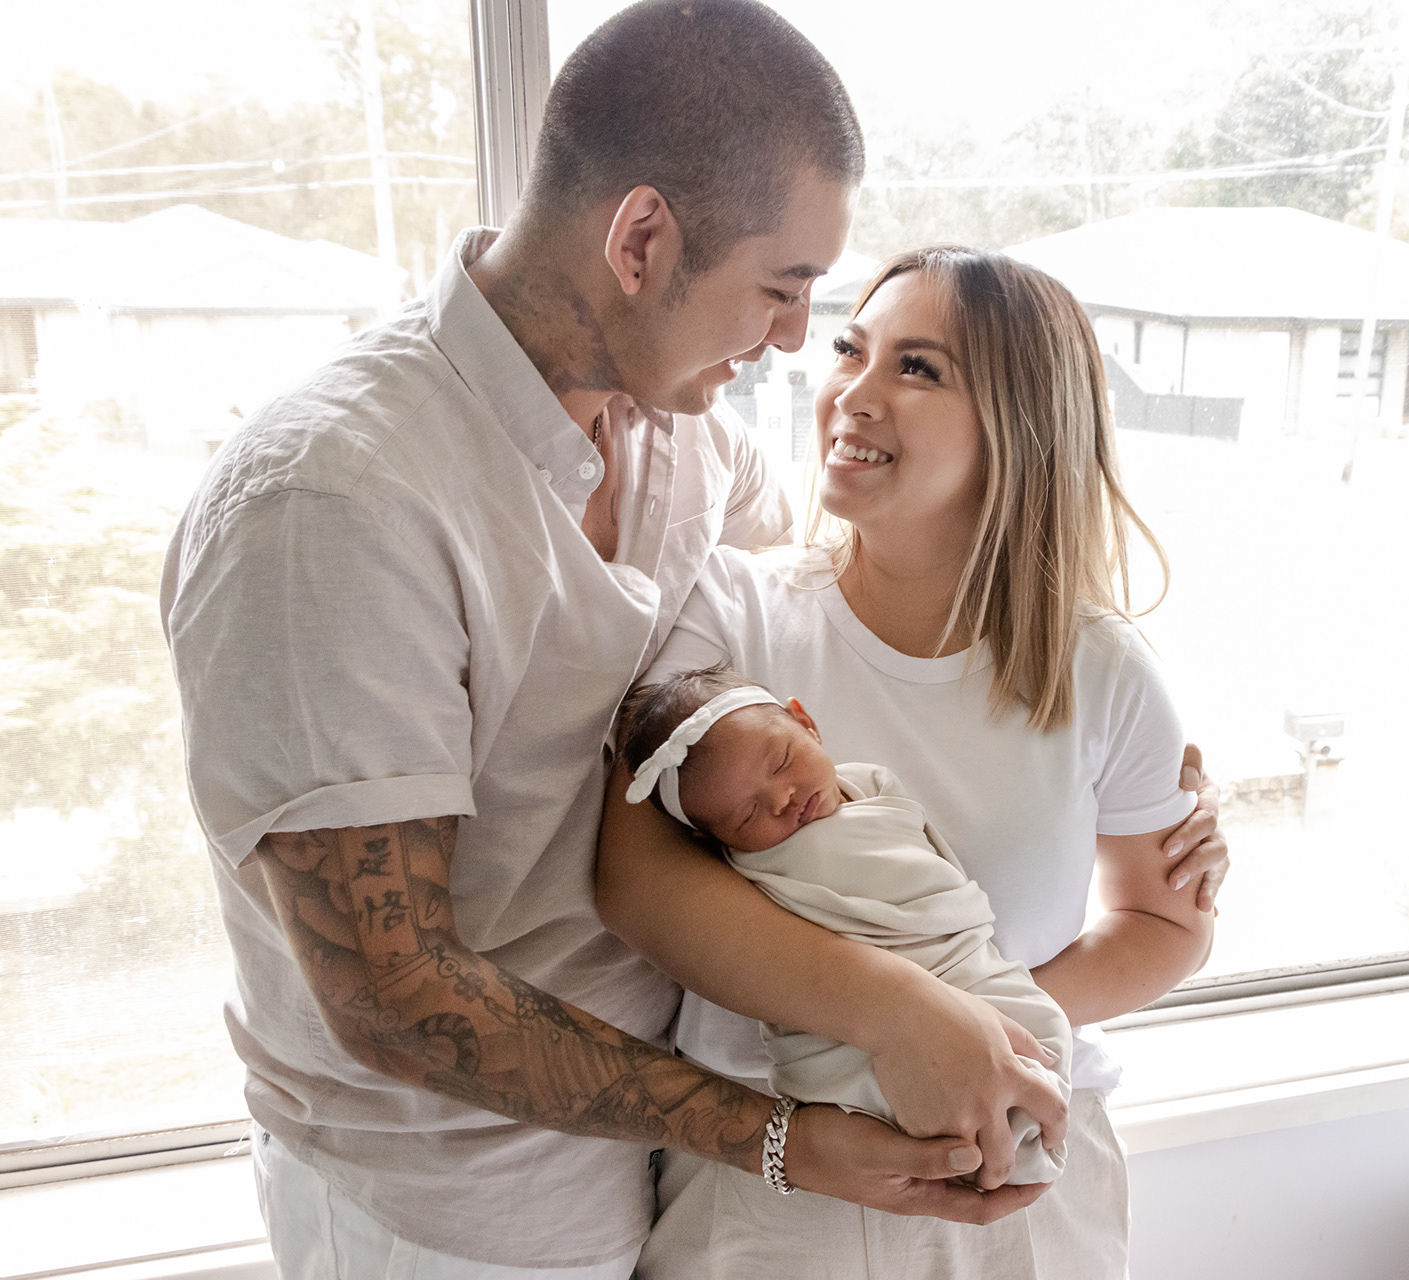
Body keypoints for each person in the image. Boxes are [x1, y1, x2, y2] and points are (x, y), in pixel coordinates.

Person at [160, 4, 1208, 1275]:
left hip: (647, 1163)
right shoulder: (333, 500)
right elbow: (394, 994)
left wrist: (1147, 790)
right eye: (784, 289)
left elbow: (877, 592)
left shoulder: (682, 441)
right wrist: (795, 1128)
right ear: (642, 239)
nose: (796, 342)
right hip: (446, 1208)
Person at [598, 247, 1225, 1279]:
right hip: (777, 1187)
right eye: (851, 350)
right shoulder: (731, 615)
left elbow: (1165, 923)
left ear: (1021, 423)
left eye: (918, 367)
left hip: (1024, 1178)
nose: (853, 390)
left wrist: (983, 1038)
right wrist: (906, 1023)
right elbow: (636, 882)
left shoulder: (1101, 667)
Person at [612, 664, 1074, 1186]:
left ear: (806, 723)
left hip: (960, 963)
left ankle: (1013, 1120)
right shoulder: (753, 871)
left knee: (1039, 1028)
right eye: (746, 816)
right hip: (852, 1035)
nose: (782, 798)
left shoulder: (872, 786)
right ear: (713, 841)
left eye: (781, 762)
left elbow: (938, 882)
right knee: (945, 1085)